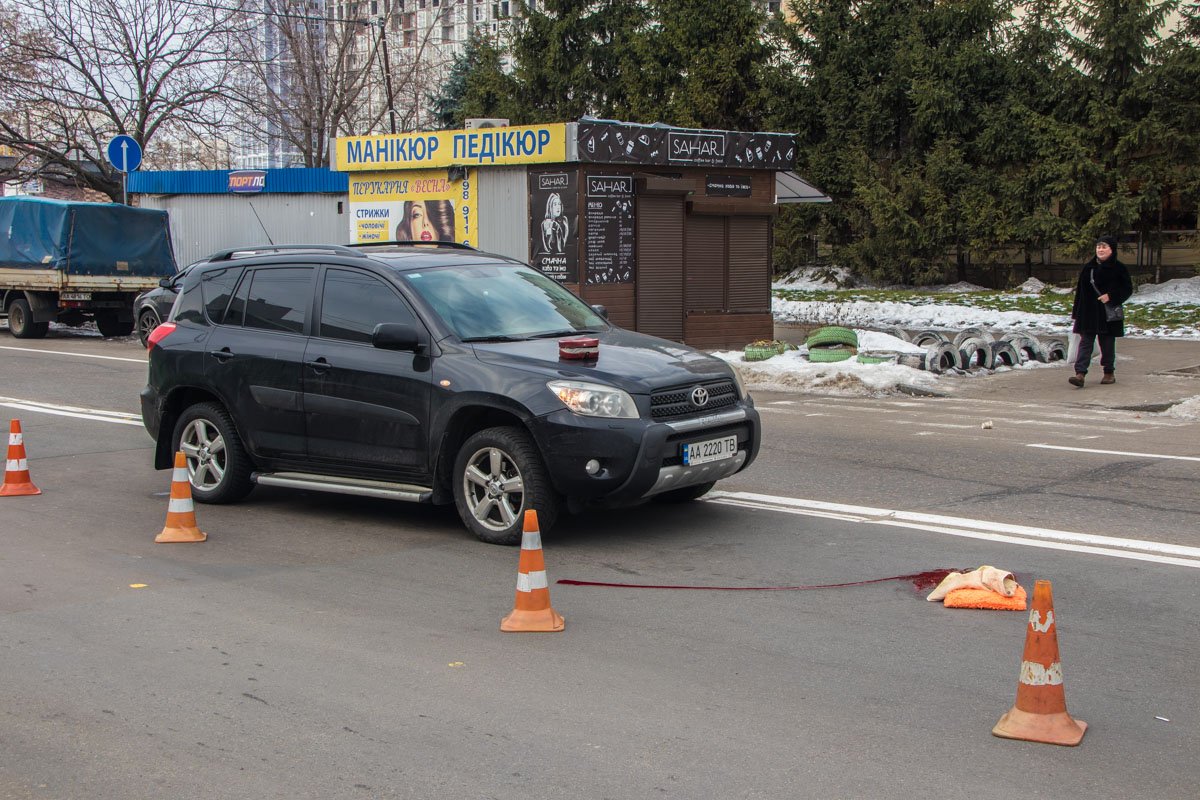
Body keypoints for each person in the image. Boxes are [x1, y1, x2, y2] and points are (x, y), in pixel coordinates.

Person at [1069, 235, 1133, 387]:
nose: (1101, 249)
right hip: (1088, 312)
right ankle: (1080, 374)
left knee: (1107, 344)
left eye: (1104, 247)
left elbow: (1127, 289)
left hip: (1107, 312)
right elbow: (1080, 292)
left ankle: (1109, 372)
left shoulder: (1119, 268)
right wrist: (1077, 313)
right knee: (1085, 343)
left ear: (1112, 249)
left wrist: (1111, 296)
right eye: (1099, 247)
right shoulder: (1088, 268)